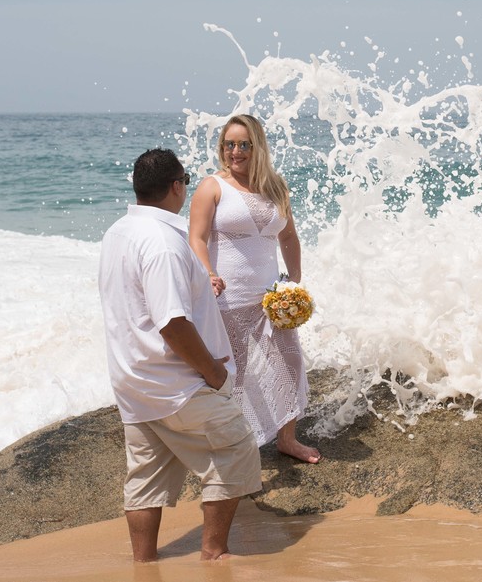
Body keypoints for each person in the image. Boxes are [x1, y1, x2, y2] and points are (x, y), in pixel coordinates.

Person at [99, 148, 261, 562]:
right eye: (186, 180)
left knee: (146, 477)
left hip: (133, 379)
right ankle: (214, 552)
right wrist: (212, 372)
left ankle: (144, 562)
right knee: (237, 447)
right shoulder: (163, 243)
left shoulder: (118, 232)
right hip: (176, 382)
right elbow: (171, 322)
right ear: (176, 186)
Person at [189, 114, 321, 464]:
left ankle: (287, 439)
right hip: (227, 298)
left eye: (244, 144)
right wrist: (209, 272)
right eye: (229, 144)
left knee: (289, 364)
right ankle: (229, 446)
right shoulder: (212, 187)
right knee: (234, 374)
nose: (236, 151)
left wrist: (295, 281)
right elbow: (196, 238)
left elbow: (288, 235)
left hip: (271, 299)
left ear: (257, 146)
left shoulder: (276, 186)